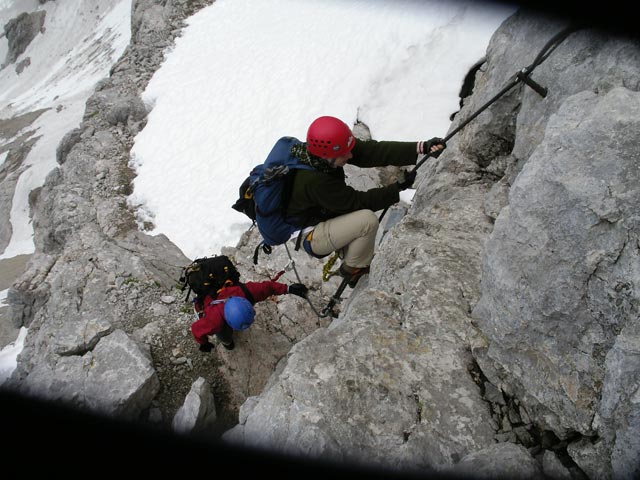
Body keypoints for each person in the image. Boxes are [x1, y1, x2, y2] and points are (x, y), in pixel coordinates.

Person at [285, 115, 446, 287]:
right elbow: (356, 202)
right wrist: (395, 189)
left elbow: (372, 151)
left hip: (321, 213)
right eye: (344, 154)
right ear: (328, 156)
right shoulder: (314, 181)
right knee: (366, 221)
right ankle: (352, 269)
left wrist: (421, 148)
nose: (351, 155)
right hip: (308, 235)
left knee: (359, 219)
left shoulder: (325, 153)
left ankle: (350, 252)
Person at [191, 279, 308, 351]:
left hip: (223, 297)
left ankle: (228, 342)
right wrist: (204, 343)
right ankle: (228, 343)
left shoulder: (248, 292)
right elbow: (196, 329)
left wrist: (289, 289)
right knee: (223, 334)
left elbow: (268, 287)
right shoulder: (214, 320)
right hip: (208, 303)